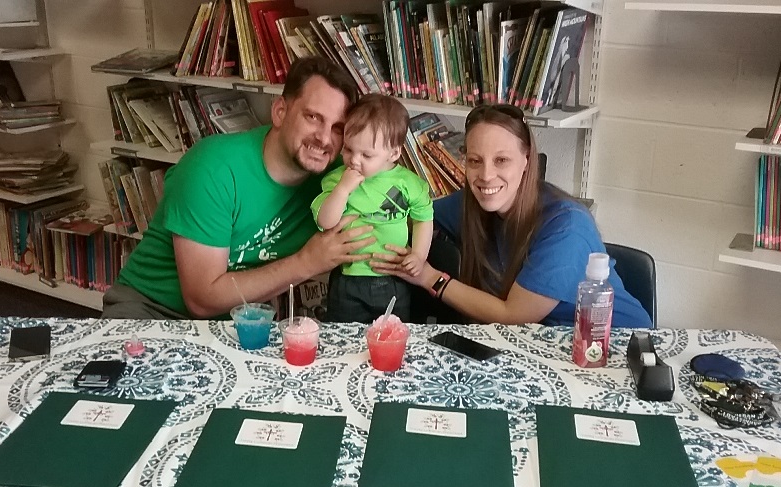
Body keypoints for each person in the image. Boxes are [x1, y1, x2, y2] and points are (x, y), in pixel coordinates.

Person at [102, 57, 375, 320]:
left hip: (237, 320)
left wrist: (400, 262)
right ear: (280, 112)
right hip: (149, 309)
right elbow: (201, 300)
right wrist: (307, 262)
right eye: (313, 117)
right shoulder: (212, 169)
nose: (324, 138)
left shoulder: (339, 176)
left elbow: (393, 196)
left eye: (338, 128)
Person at [372, 104, 653, 328]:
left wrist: (429, 277)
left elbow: (513, 315)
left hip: (611, 346)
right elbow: (407, 216)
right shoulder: (471, 204)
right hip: (534, 344)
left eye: (502, 160)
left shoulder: (567, 226)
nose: (486, 175)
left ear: (527, 160)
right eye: (475, 161)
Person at [311, 94, 433, 323]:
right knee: (345, 334)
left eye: (366, 155)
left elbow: (423, 218)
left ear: (394, 153)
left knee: (392, 334)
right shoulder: (336, 180)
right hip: (348, 277)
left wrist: (419, 255)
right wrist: (342, 190)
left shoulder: (409, 183)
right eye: (348, 149)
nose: (354, 160)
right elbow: (325, 222)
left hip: (393, 278)